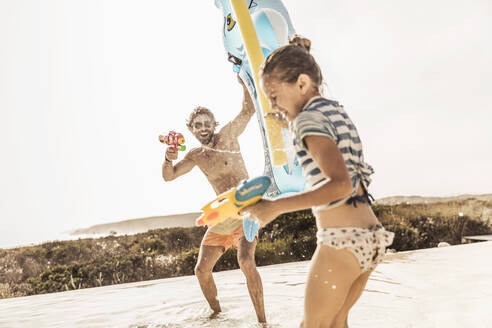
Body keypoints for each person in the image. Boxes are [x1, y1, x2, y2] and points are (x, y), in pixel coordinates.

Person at [242, 35, 394, 328]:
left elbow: (340, 184)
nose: (273, 104)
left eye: (274, 96)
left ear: (301, 84)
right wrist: (290, 122)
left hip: (342, 240)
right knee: (336, 324)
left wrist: (275, 206)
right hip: (370, 237)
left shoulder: (305, 122)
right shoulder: (333, 110)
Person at [161, 76, 266, 323]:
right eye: (198, 124)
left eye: (208, 123)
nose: (204, 127)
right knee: (201, 270)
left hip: (247, 209)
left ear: (214, 124)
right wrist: (167, 158)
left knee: (245, 260)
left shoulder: (228, 135)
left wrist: (244, 83)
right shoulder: (196, 155)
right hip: (222, 216)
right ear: (191, 129)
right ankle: (217, 316)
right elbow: (170, 176)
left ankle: (263, 322)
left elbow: (248, 109)